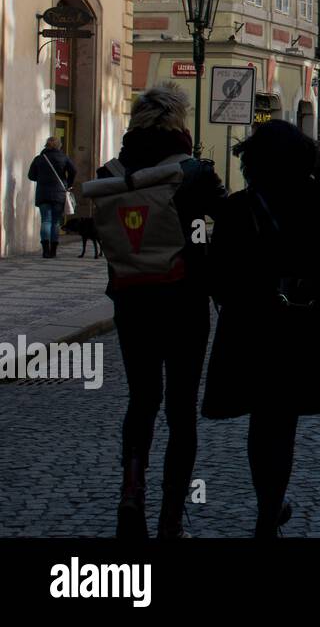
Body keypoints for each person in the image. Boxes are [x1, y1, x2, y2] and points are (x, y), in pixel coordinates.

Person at [84, 84, 226, 538]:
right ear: (178, 123)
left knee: (141, 400)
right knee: (180, 409)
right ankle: (170, 515)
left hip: (130, 299)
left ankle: (131, 491)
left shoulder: (111, 171)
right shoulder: (192, 172)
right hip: (183, 301)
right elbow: (225, 224)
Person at [202, 120, 320, 538]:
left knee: (260, 422)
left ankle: (267, 502)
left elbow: (217, 274)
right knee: (281, 424)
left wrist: (235, 302)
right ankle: (270, 508)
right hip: (298, 327)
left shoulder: (236, 207)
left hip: (248, 329)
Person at [28, 136, 77, 258]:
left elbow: (31, 176)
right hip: (59, 193)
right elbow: (74, 171)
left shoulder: (39, 159)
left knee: (46, 220)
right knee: (55, 222)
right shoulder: (63, 157)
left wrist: (41, 179)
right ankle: (53, 250)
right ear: (59, 145)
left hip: (43, 193)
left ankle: (45, 250)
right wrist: (68, 184)